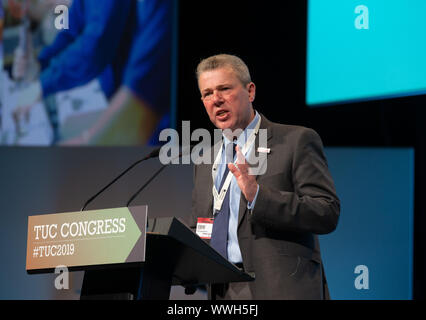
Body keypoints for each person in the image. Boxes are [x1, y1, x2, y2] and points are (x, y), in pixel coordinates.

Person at [188, 54, 340, 300]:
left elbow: (327, 212)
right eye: (207, 93)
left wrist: (258, 196)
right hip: (222, 292)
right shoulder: (205, 159)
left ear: (250, 91)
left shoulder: (295, 141)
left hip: (281, 288)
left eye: (224, 89)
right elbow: (203, 226)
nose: (216, 100)